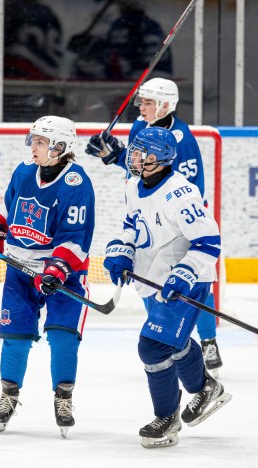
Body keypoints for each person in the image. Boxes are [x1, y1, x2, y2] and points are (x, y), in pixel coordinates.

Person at [85, 77, 224, 376]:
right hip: (146, 212)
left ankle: (209, 340)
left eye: (148, 102)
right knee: (151, 282)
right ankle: (167, 340)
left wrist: (159, 211)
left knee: (194, 279)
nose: (141, 107)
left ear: (165, 105)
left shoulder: (181, 138)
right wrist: (113, 154)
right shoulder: (140, 126)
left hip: (177, 223)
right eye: (141, 101)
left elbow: (188, 188)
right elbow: (139, 165)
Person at [103, 127, 231, 448]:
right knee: (172, 342)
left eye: (140, 153)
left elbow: (209, 240)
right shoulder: (133, 185)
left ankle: (167, 418)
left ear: (158, 159)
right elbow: (133, 224)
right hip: (156, 278)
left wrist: (185, 272)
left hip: (188, 280)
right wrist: (124, 249)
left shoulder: (181, 194)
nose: (132, 158)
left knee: (153, 346)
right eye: (134, 151)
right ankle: (205, 388)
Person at [0, 116, 95, 438]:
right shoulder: (24, 171)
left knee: (63, 336)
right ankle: (9, 396)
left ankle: (63, 398)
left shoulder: (76, 184)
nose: (33, 146)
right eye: (34, 140)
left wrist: (55, 270)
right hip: (19, 270)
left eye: (41, 142)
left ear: (60, 147)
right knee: (14, 338)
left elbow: (75, 236)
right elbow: (10, 213)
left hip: (63, 275)